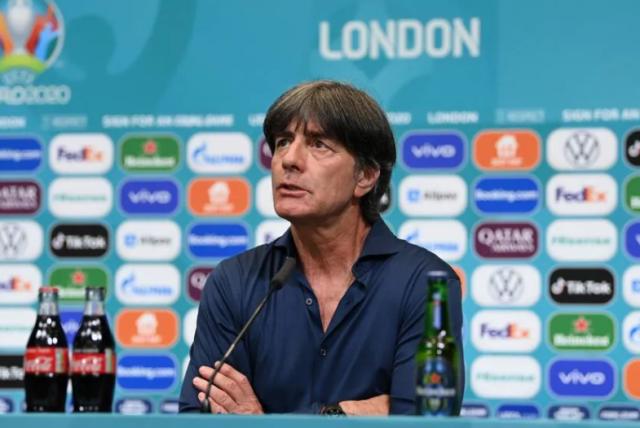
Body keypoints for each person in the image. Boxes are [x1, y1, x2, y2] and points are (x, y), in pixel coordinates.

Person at [179, 80, 464, 415]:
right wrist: (363, 412)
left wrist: (265, 423)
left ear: (365, 176)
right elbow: (199, 417)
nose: (289, 159)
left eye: (318, 144)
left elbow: (425, 416)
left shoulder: (424, 283)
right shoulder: (234, 282)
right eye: (283, 142)